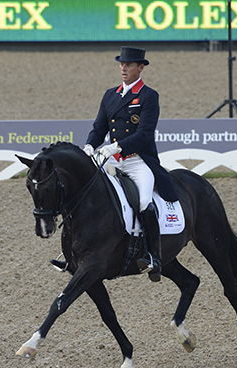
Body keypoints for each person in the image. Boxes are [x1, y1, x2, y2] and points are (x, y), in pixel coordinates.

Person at [83, 46, 179, 283]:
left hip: (137, 161)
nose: (123, 68)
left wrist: (116, 147)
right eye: (121, 64)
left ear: (140, 67)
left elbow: (144, 134)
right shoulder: (110, 95)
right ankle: (76, 251)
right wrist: (88, 147)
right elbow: (99, 129)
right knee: (86, 191)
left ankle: (154, 257)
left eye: (128, 65)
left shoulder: (148, 96)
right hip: (111, 160)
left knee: (144, 201)